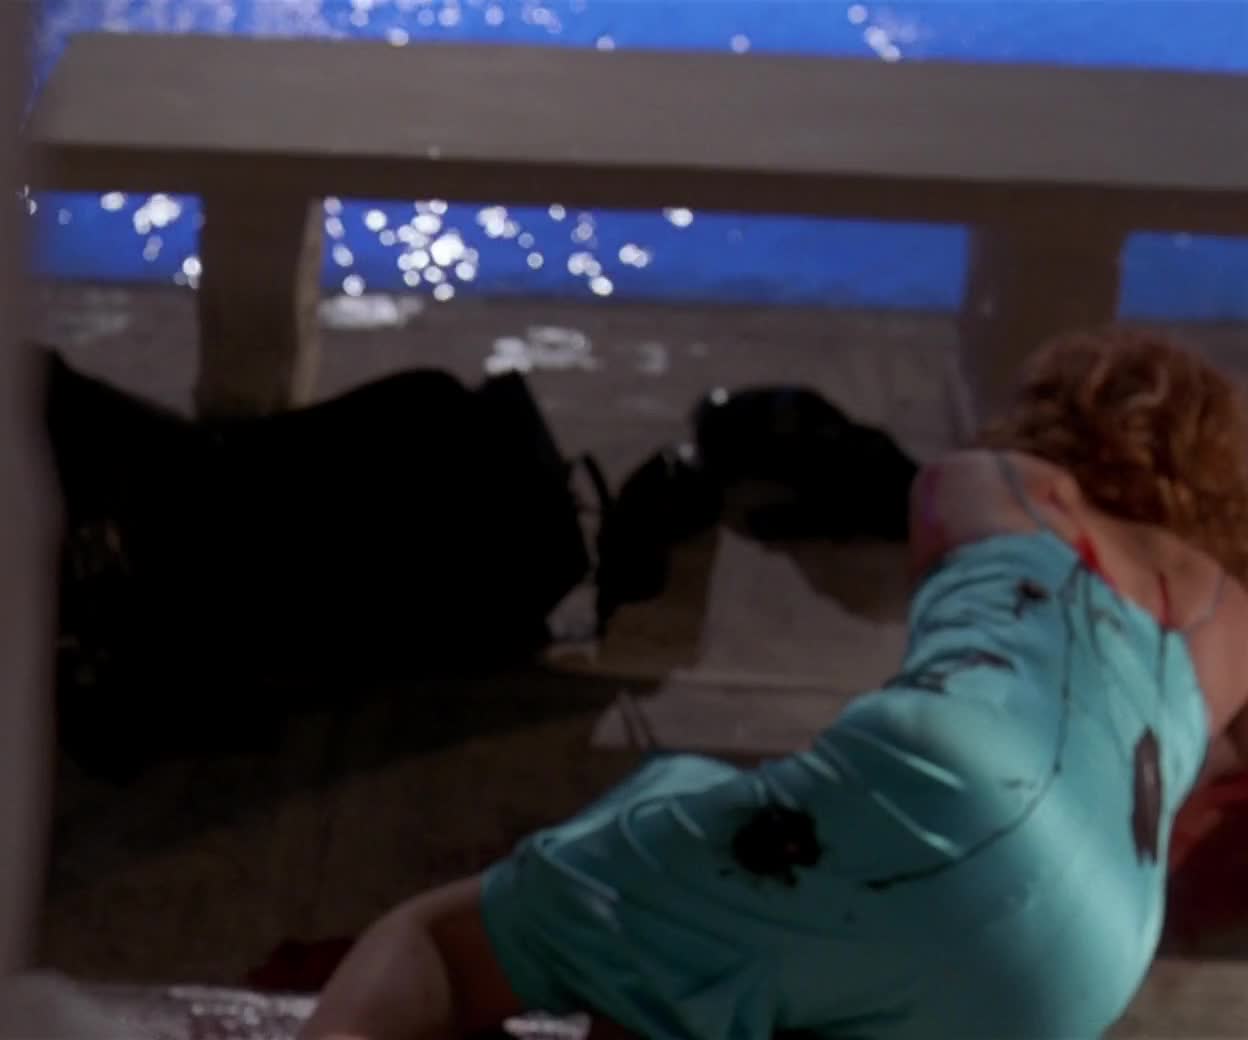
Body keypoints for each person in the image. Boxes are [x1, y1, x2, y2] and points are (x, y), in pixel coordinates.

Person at [299, 328, 1248, 1040]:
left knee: (446, 941)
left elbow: (958, 652)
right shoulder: (1235, 619)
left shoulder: (1008, 480)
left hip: (957, 787)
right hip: (1087, 960)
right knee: (763, 961)